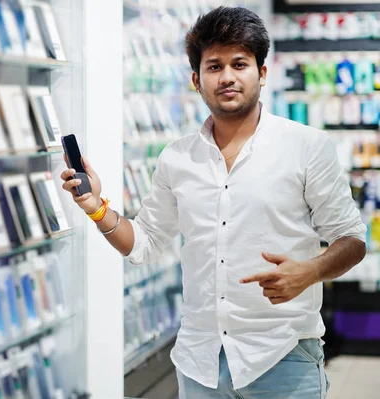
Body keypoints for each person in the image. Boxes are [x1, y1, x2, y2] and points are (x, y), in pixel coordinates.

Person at [61, 6, 366, 399]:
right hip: (200, 362)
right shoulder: (177, 158)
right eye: (214, 66)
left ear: (262, 72)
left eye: (239, 64)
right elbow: (147, 243)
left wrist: (310, 272)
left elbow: (351, 239)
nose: (227, 77)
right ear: (196, 79)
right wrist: (96, 207)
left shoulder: (306, 147)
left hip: (282, 357)